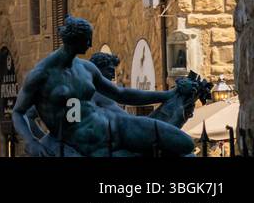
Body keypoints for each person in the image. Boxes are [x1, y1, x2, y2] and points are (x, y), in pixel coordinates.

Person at [11, 16, 195, 156]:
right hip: (88, 145)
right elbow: (19, 112)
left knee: (185, 144)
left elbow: (121, 94)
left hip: (119, 126)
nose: (91, 44)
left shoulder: (87, 68)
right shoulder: (41, 74)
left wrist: (167, 95)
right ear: (75, 41)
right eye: (87, 40)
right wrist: (32, 141)